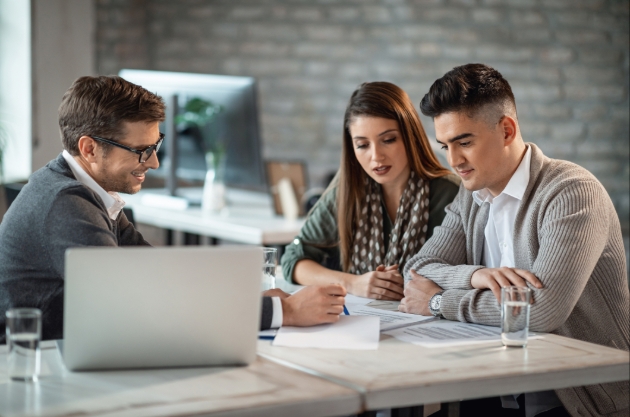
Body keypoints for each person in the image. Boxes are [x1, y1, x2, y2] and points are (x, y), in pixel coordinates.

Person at [0, 75, 344, 342]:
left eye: (156, 145)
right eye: (141, 150)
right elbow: (142, 306)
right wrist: (282, 311)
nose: (154, 162)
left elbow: (157, 274)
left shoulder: (87, 191)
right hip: (38, 370)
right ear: (89, 148)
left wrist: (245, 295)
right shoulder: (66, 203)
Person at [400, 64, 629, 417]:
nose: (454, 160)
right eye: (445, 145)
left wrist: (438, 302)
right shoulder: (470, 195)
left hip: (577, 398)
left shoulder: (571, 192)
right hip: (495, 385)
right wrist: (475, 276)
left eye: (464, 142)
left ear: (507, 130)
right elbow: (416, 271)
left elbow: (541, 310)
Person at [282, 82, 460, 300]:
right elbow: (293, 260)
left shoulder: (451, 194)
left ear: (410, 137)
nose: (376, 156)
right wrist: (353, 283)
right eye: (362, 145)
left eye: (388, 140)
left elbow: (463, 276)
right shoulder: (349, 190)